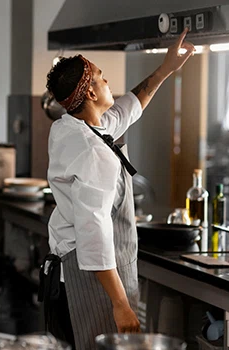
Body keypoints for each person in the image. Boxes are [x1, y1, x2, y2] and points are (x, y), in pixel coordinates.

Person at [39, 29, 195, 349]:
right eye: (102, 77)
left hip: (74, 270)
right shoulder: (94, 152)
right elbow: (94, 234)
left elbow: (129, 107)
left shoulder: (72, 125)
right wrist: (122, 305)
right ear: (92, 94)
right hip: (92, 280)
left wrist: (165, 69)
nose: (108, 82)